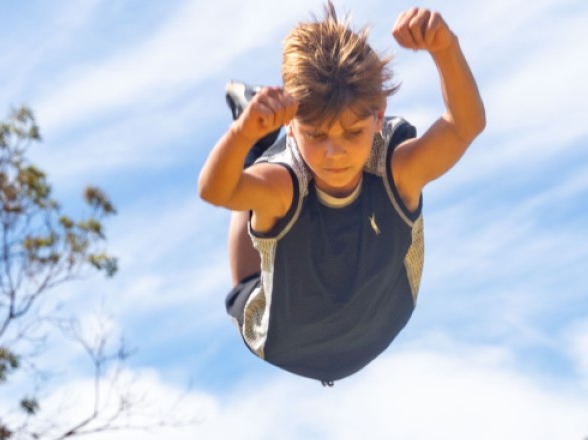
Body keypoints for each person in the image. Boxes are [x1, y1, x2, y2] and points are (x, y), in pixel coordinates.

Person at [198, 6, 485, 385]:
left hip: (384, 318)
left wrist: (446, 48)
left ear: (378, 116)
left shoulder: (397, 170)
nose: (335, 153)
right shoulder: (285, 183)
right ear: (294, 127)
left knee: (262, 190)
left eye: (352, 133)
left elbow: (465, 126)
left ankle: (256, 139)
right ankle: (255, 138)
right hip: (284, 340)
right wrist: (242, 135)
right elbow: (217, 190)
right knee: (253, 236)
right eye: (317, 135)